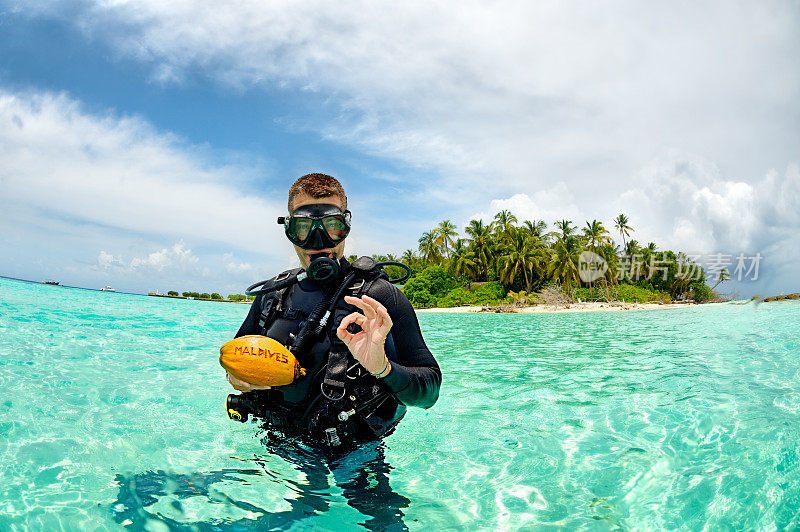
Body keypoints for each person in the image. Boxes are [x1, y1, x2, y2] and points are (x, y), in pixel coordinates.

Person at [227, 173, 441, 447]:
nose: (319, 241)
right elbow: (236, 358)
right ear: (289, 229)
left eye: (332, 225)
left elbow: (430, 392)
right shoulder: (273, 294)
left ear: (346, 225)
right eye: (304, 228)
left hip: (353, 457)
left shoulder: (378, 297)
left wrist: (383, 368)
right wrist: (238, 377)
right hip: (278, 445)